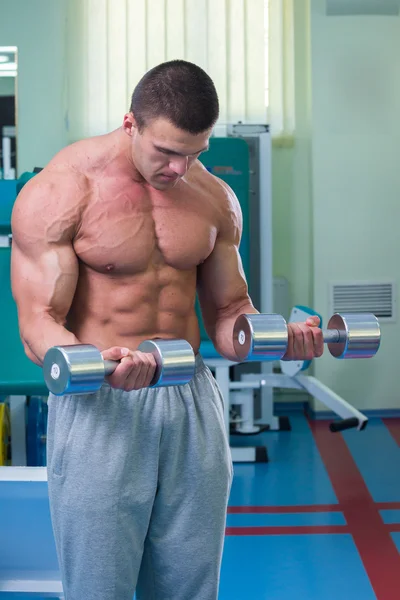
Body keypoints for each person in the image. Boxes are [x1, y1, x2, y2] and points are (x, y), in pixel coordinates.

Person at [11, 60, 323, 600]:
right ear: (130, 123)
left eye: (196, 153)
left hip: (189, 398)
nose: (181, 169)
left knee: (190, 588)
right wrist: (102, 366)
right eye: (168, 152)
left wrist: (274, 336)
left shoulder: (214, 199)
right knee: (98, 589)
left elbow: (228, 314)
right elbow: (38, 324)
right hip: (99, 403)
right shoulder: (61, 192)